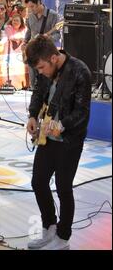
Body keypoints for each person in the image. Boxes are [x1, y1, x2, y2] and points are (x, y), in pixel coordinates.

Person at [25, 35, 91, 250]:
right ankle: (49, 227)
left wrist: (61, 125)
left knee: (63, 187)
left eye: (43, 67)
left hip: (69, 140)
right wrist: (33, 115)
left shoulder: (80, 72)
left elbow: (82, 113)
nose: (41, 72)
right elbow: (38, 91)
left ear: (54, 58)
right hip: (47, 138)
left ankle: (63, 237)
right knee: (38, 181)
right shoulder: (45, 69)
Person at [24, 0, 61, 90]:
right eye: (29, 8)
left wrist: (47, 38)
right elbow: (29, 31)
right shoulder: (30, 16)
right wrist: (25, 42)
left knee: (46, 84)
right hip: (32, 53)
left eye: (32, 6)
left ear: (39, 2)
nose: (31, 10)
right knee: (34, 84)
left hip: (46, 55)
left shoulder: (53, 15)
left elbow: (57, 35)